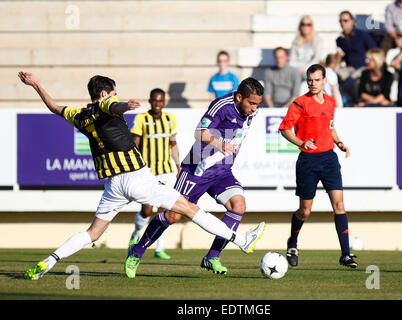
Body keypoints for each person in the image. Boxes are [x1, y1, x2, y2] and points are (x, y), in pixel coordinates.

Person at [18, 72, 265, 280]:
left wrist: (36, 85)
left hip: (113, 186)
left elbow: (54, 107)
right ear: (105, 94)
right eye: (113, 92)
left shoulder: (79, 114)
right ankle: (241, 240)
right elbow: (111, 106)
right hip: (137, 178)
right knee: (187, 209)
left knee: (92, 234)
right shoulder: (107, 105)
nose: (115, 96)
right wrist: (124, 106)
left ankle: (50, 261)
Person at [127, 77, 265, 276]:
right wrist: (219, 144)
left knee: (238, 206)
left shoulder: (251, 112)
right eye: (251, 103)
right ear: (239, 96)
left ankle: (212, 257)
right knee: (172, 215)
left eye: (257, 104)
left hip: (222, 170)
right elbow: (199, 133)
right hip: (197, 170)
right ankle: (136, 252)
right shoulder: (221, 106)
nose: (254, 108)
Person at [278, 64, 358, 269]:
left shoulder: (331, 102)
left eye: (316, 79)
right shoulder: (299, 104)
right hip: (308, 161)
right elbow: (285, 129)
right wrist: (301, 143)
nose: (313, 83)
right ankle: (292, 243)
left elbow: (330, 127)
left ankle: (345, 254)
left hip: (329, 159)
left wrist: (339, 143)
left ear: (324, 80)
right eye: (310, 80)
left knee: (339, 205)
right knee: (305, 211)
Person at [128, 88, 181, 260]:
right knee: (146, 210)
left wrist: (178, 164)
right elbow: (134, 144)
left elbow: (173, 144)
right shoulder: (141, 119)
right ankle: (136, 234)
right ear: (150, 101)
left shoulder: (169, 119)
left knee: (164, 210)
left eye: (161, 101)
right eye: (155, 101)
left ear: (164, 102)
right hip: (147, 171)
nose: (157, 104)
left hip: (166, 171)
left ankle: (159, 248)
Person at [336, 11, 378, 106]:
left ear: (352, 22)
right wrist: (338, 57)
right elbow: (342, 60)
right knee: (332, 73)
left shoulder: (362, 35)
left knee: (352, 80)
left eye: (345, 20)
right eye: (341, 21)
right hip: (349, 69)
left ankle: (353, 102)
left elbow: (374, 51)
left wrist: (368, 61)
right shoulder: (340, 40)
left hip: (363, 67)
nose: (343, 23)